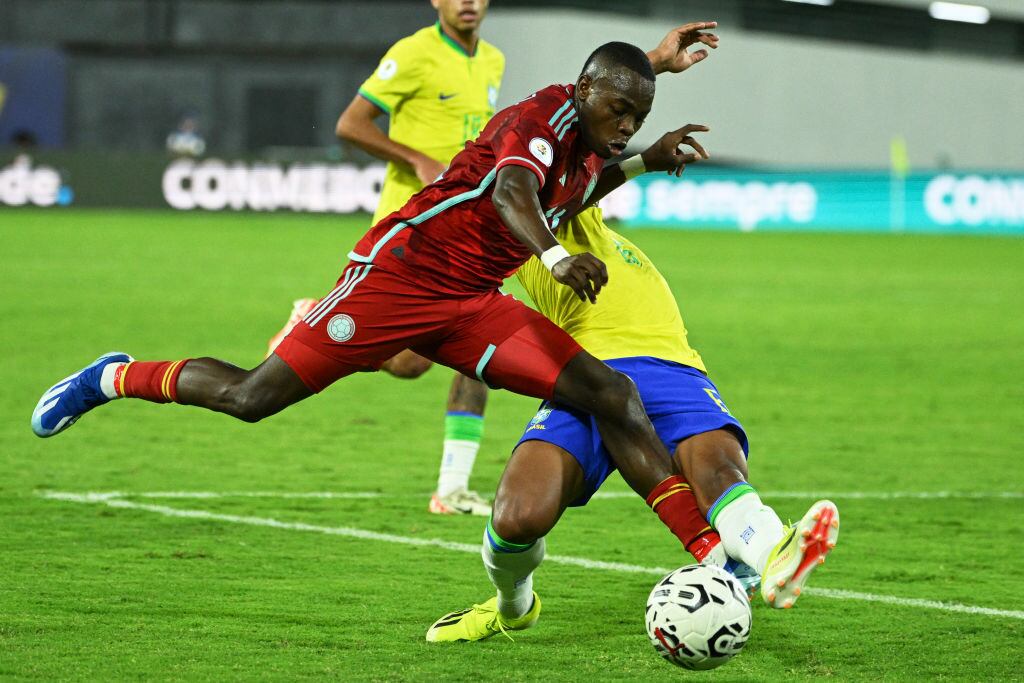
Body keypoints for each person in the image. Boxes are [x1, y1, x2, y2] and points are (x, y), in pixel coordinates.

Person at [31, 41, 717, 566]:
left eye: (638, 117)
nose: (625, 125)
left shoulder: (593, 143)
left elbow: (575, 192)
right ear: (584, 89)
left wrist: (642, 160)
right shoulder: (543, 115)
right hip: (397, 278)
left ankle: (712, 557)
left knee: (611, 392)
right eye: (619, 111)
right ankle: (110, 376)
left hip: (472, 302)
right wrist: (559, 258)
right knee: (250, 396)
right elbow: (514, 191)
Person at [425, 206, 841, 643]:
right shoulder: (525, 235)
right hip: (585, 373)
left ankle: (772, 553)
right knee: (517, 517)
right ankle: (513, 608)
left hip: (672, 365)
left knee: (718, 472)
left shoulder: (586, 217)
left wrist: (640, 161)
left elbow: (587, 173)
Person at [267, 0, 505, 516]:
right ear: (436, 1)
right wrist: (416, 157)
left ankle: (452, 487)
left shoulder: (493, 60)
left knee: (477, 350)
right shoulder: (414, 53)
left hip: (467, 229)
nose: (468, 2)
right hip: (411, 229)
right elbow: (351, 124)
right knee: (409, 363)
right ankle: (316, 318)